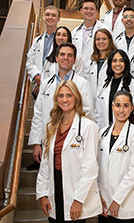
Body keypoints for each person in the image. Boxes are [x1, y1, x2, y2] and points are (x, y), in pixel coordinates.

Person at [36, 80, 101, 222]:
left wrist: (78, 200)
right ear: (56, 99)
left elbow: (90, 168)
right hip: (55, 187)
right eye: (61, 96)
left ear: (76, 98)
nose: (64, 100)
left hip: (75, 190)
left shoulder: (88, 126)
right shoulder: (51, 126)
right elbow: (45, 163)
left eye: (69, 95)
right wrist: (42, 194)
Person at [28, 43, 93, 169]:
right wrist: (36, 143)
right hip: (49, 140)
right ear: (56, 58)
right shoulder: (46, 84)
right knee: (50, 180)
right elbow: (38, 114)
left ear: (74, 60)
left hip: (73, 141)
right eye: (62, 54)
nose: (66, 58)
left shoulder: (82, 84)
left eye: (70, 55)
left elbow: (87, 113)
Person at [97, 90, 134, 223]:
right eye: (118, 105)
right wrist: (99, 197)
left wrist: (116, 200)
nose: (121, 110)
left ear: (132, 108)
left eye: (125, 106)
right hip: (104, 204)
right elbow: (98, 169)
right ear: (112, 107)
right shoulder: (103, 133)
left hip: (124, 204)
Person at [94, 49, 134, 131]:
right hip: (105, 130)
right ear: (110, 63)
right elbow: (98, 113)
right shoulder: (104, 85)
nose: (118, 64)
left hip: (125, 131)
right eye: (114, 61)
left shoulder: (133, 84)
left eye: (121, 61)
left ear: (126, 63)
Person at [26, 5, 60, 97]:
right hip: (39, 87)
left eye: (53, 15)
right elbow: (30, 62)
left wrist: (46, 82)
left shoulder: (63, 40)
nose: (50, 17)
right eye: (47, 15)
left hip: (56, 88)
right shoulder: (37, 40)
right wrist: (37, 78)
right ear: (44, 18)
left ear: (58, 19)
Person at [85, 28, 116, 104]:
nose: (101, 42)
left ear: (109, 40)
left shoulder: (115, 60)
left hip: (109, 103)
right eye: (98, 39)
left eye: (104, 39)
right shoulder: (90, 62)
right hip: (92, 103)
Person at [72, 0, 105, 66]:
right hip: (77, 70)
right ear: (81, 10)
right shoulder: (75, 32)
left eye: (92, 9)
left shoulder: (105, 30)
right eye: (86, 8)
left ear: (97, 12)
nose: (89, 11)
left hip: (96, 69)